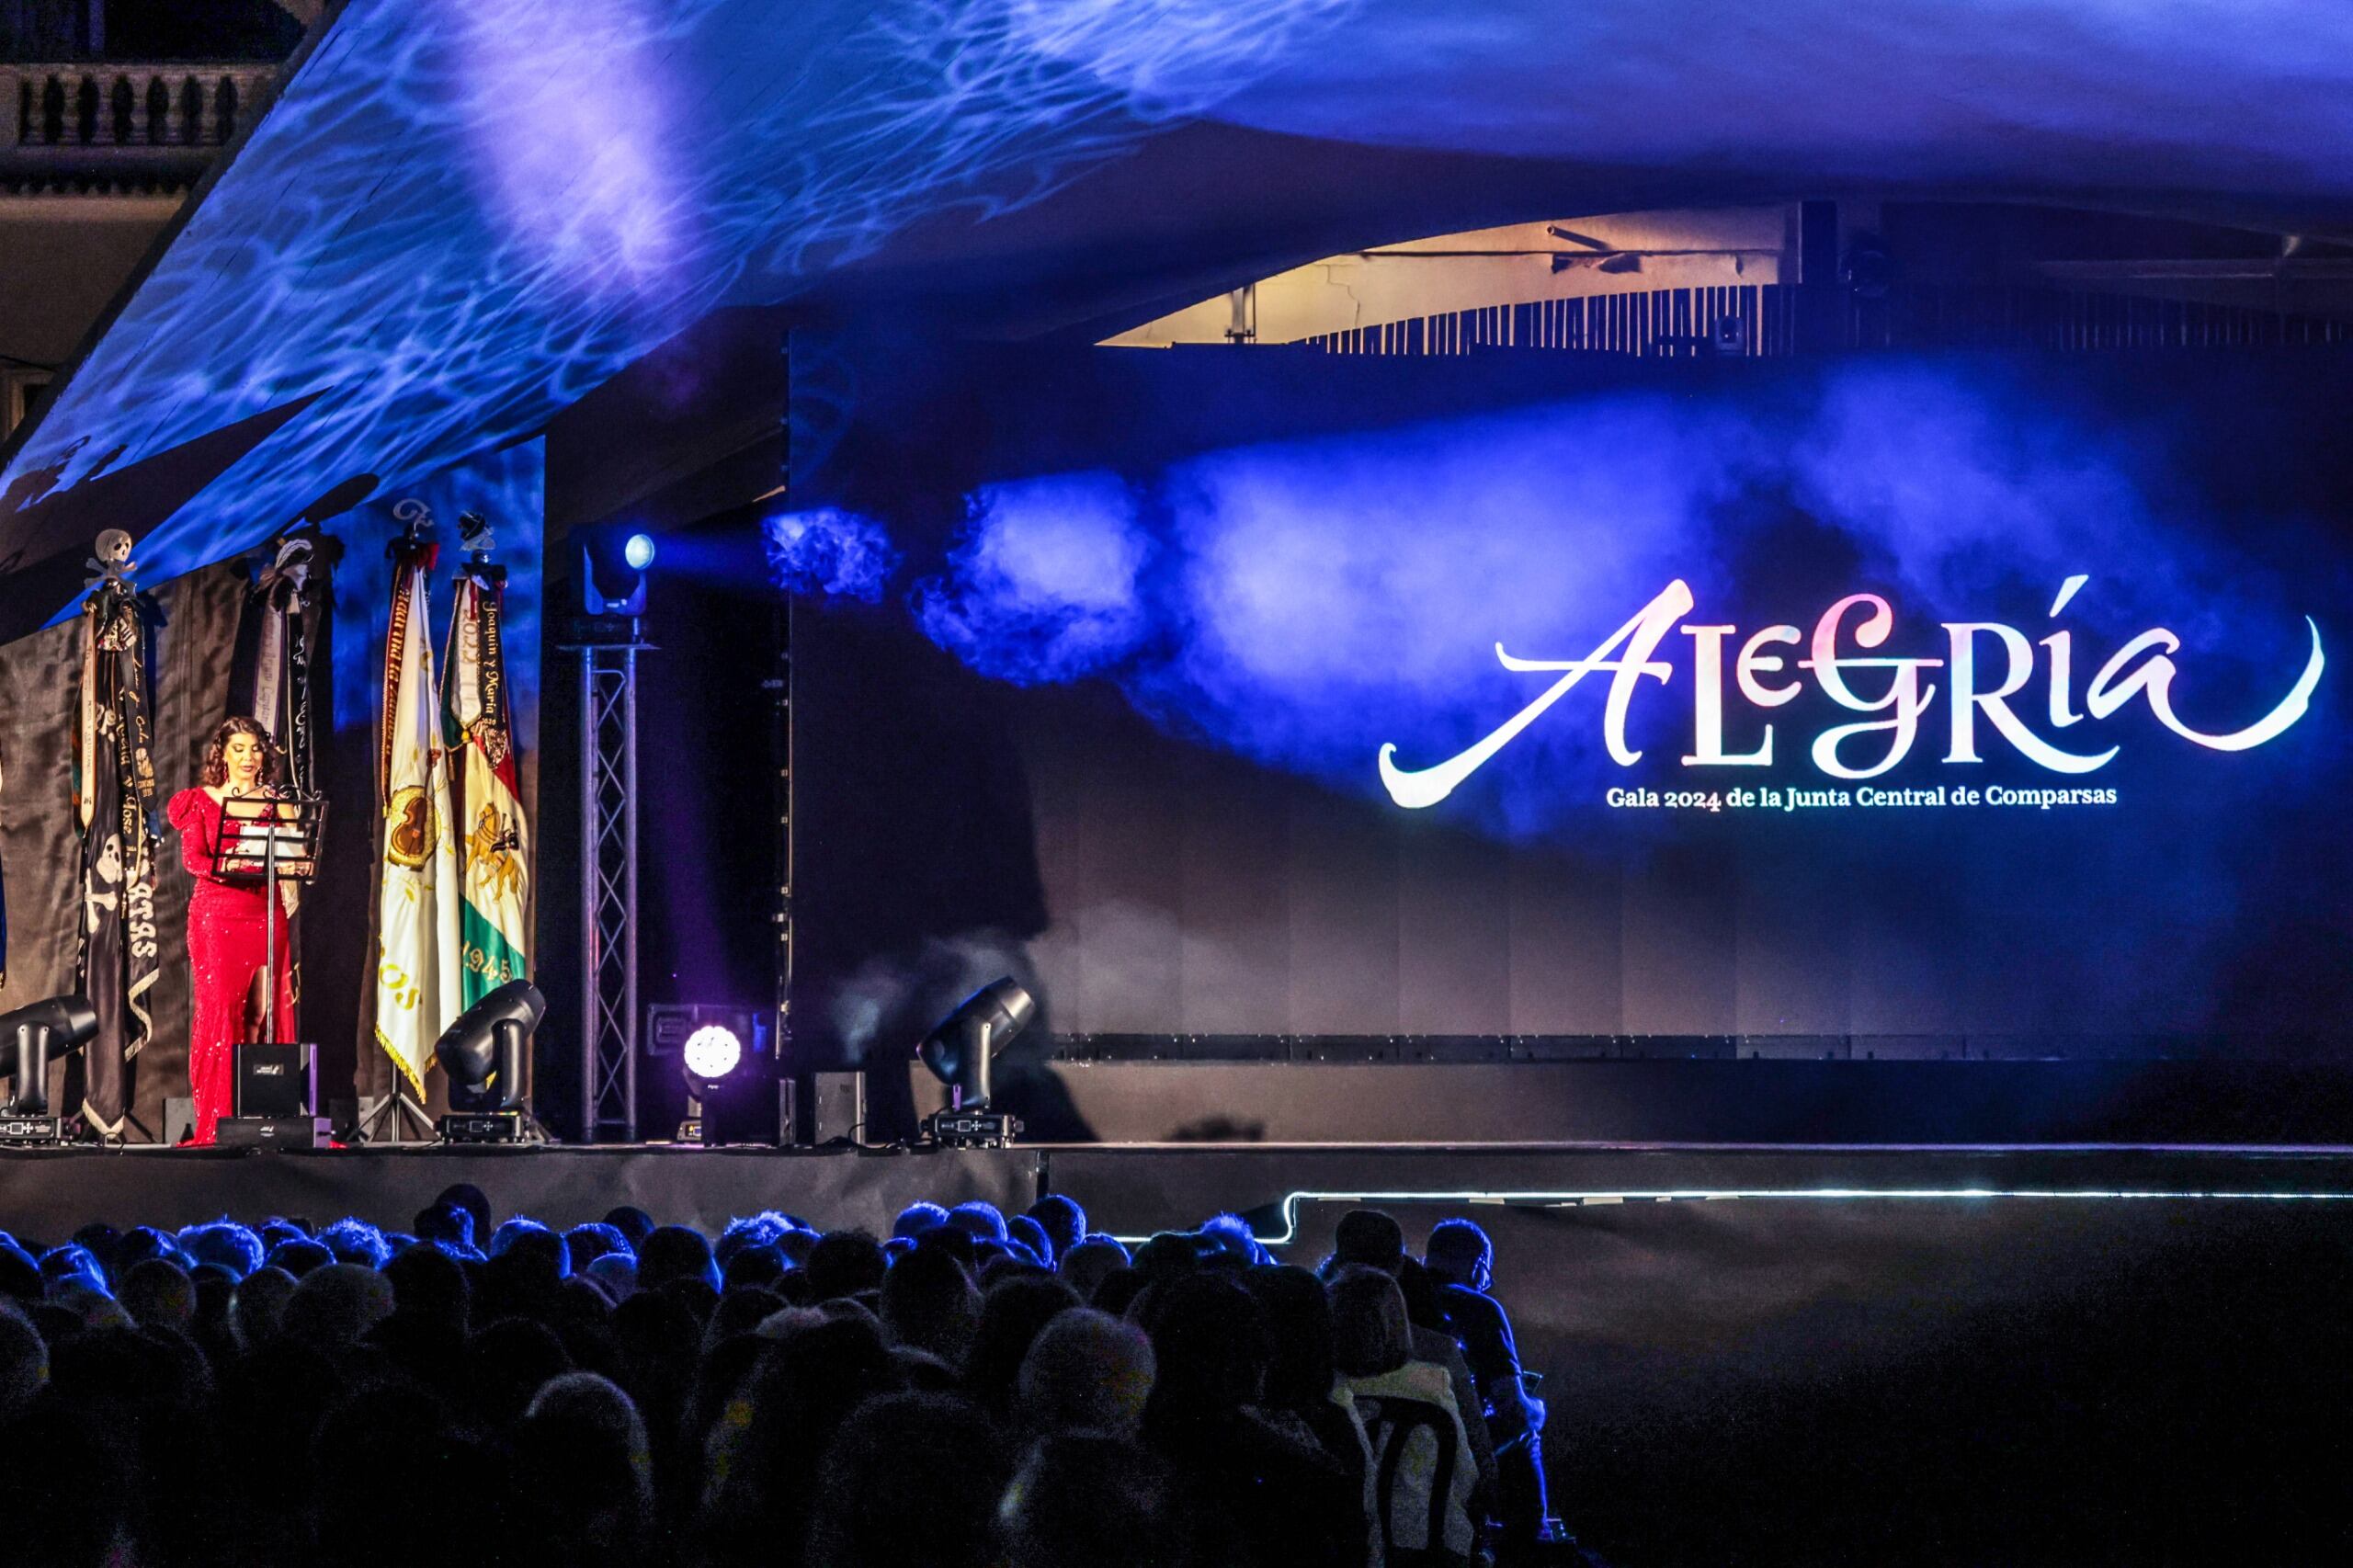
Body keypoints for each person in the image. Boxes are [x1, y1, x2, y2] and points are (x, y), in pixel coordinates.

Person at [165, 717, 297, 1145]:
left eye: (255, 748)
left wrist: (287, 863)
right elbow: (194, 861)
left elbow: (295, 855)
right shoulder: (200, 801)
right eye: (238, 748)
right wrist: (232, 865)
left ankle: (264, 1114)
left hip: (265, 911)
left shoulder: (278, 801)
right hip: (218, 915)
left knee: (264, 1011)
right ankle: (218, 1118)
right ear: (221, 753)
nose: (247, 757)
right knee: (222, 1010)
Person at [1425, 1220, 1552, 1555]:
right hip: (1454, 1444)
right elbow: (1512, 1408)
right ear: (1479, 1266)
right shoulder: (1478, 1307)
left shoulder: (1396, 1297)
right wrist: (1538, 1410)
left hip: (1392, 1441)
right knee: (1525, 1435)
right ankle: (1531, 1545)